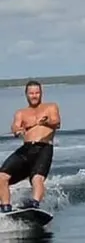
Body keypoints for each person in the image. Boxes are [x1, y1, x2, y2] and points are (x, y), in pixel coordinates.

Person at [0, 80, 61, 212]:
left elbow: (56, 122)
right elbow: (15, 126)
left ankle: (34, 205)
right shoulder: (21, 113)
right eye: (31, 93)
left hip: (44, 148)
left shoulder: (50, 107)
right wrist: (18, 130)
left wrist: (47, 121)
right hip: (26, 150)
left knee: (36, 178)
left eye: (37, 93)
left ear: (41, 93)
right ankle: (5, 208)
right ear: (26, 95)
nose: (34, 96)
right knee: (2, 176)